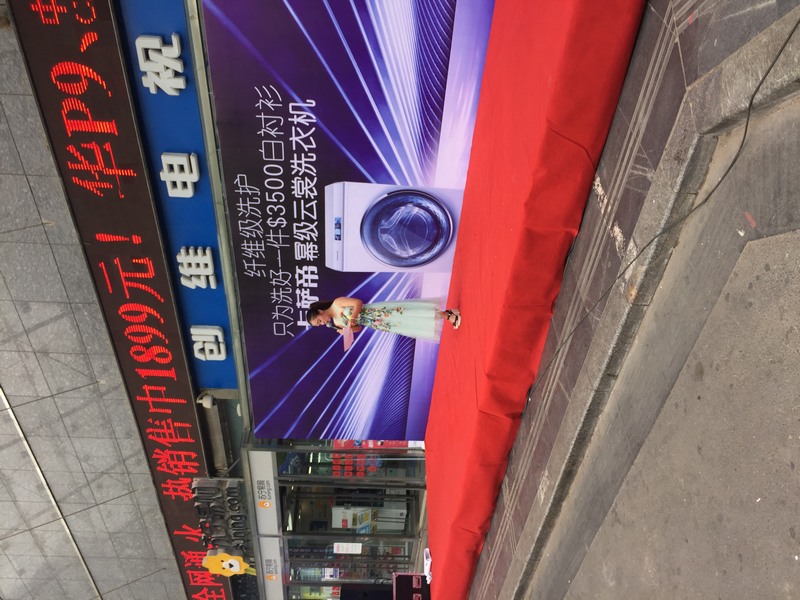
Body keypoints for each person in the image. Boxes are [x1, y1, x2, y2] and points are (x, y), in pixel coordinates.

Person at [306, 296, 461, 341]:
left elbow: (357, 302)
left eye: (319, 320)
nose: (322, 323)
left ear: (320, 311)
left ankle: (447, 315)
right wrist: (346, 331)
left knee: (407, 313)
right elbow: (358, 328)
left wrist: (352, 317)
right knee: (406, 324)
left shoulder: (337, 303)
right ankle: (446, 314)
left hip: (379, 311)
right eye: (319, 325)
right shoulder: (336, 323)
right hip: (378, 323)